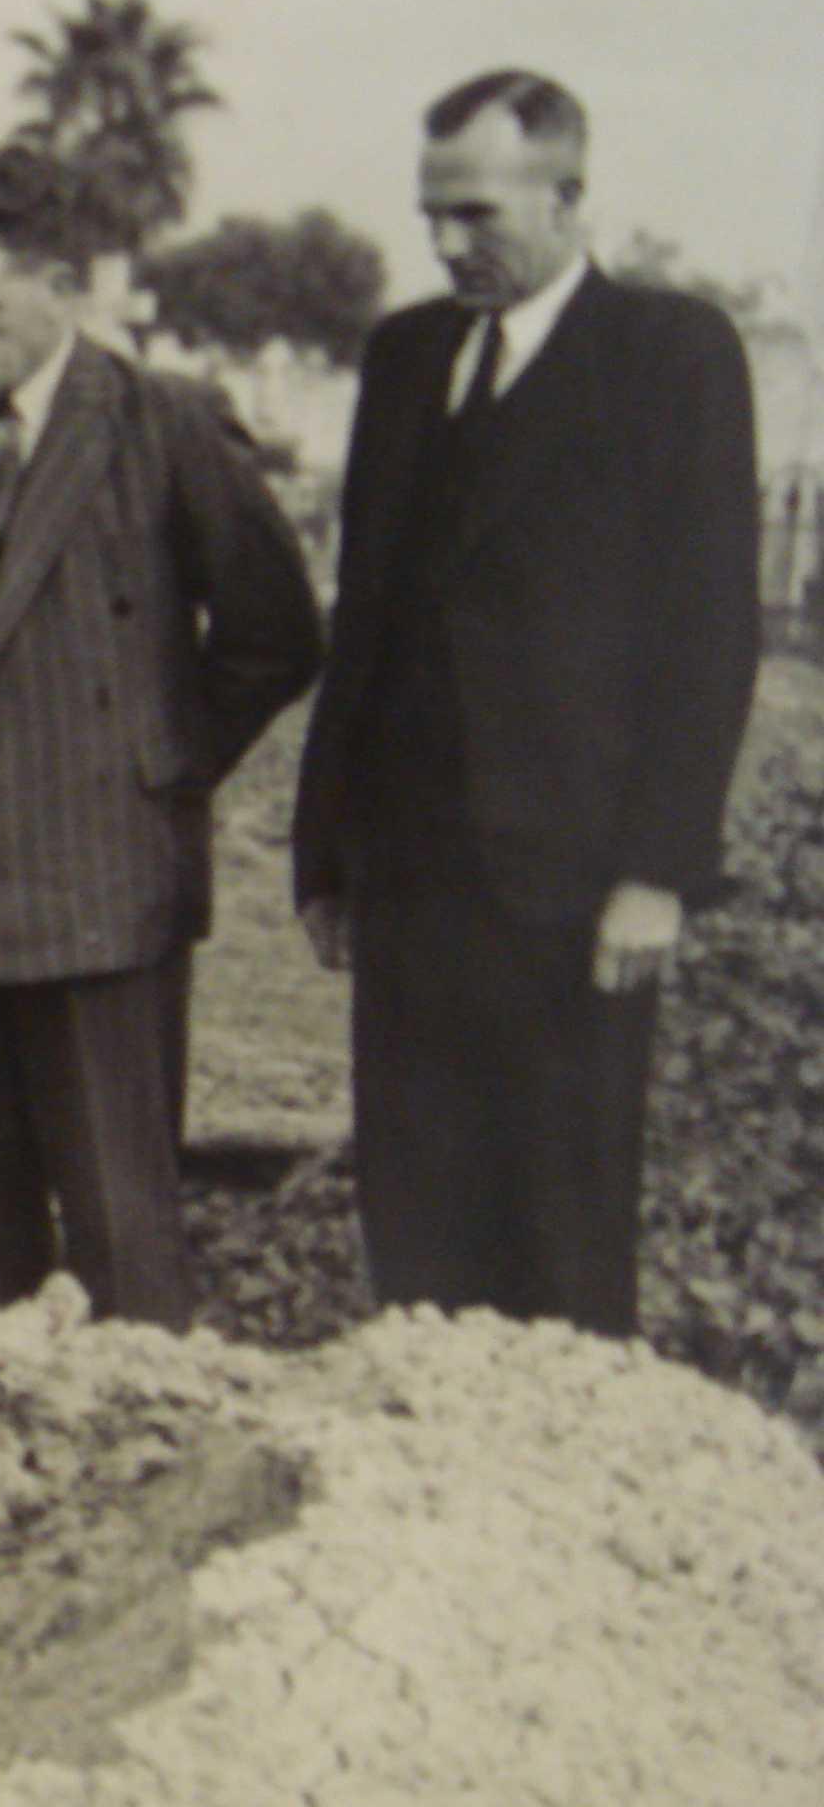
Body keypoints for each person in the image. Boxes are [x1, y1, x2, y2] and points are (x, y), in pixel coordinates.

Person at [0, 144, 321, 1327]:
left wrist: (153, 769)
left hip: (101, 887)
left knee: (121, 1232)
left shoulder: (161, 424)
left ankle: (137, 1417)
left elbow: (274, 634)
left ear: (64, 288)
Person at [291, 70, 759, 1338]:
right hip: (409, 872)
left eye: (478, 215)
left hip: (573, 879)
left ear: (567, 195)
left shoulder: (670, 355)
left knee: (562, 1214)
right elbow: (366, 613)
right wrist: (325, 852)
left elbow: (709, 631)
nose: (448, 245)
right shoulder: (406, 355)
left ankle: (557, 1448)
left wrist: (657, 871)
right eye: (431, 215)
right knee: (414, 1207)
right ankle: (433, 1434)